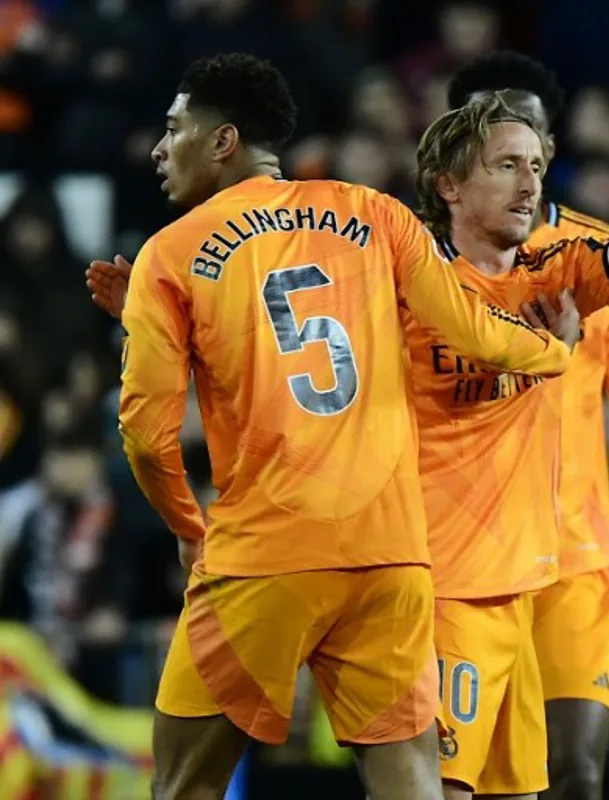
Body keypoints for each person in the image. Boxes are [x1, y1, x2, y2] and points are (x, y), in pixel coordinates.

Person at [109, 53, 574, 800]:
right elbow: (476, 332)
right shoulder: (375, 211)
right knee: (410, 783)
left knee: (185, 785)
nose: (160, 150)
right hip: (389, 555)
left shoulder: (172, 252)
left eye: (173, 128)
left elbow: (144, 432)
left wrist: (186, 523)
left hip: (266, 552)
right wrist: (557, 351)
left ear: (224, 140)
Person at [407, 48, 609, 800]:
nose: (526, 175)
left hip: (569, 559)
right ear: (451, 166)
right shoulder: (406, 267)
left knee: (570, 777)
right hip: (456, 565)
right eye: (500, 155)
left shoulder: (571, 260)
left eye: (532, 155)